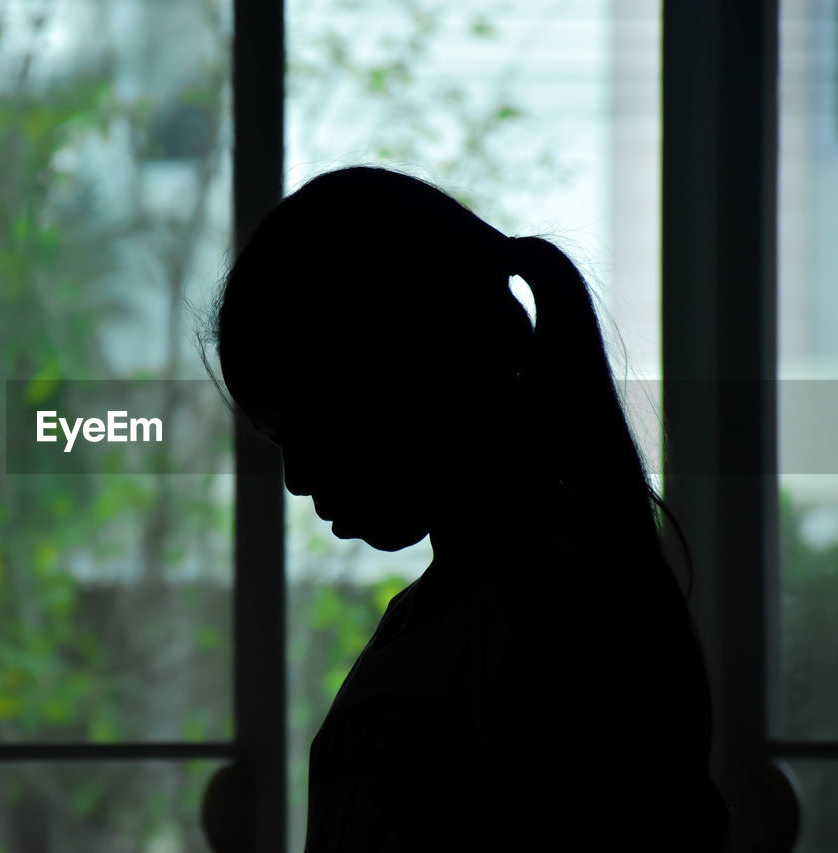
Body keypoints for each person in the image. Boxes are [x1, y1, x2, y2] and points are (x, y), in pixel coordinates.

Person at [199, 166, 730, 850]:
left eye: (307, 426)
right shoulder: (423, 624)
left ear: (407, 371)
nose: (297, 479)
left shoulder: (566, 615)